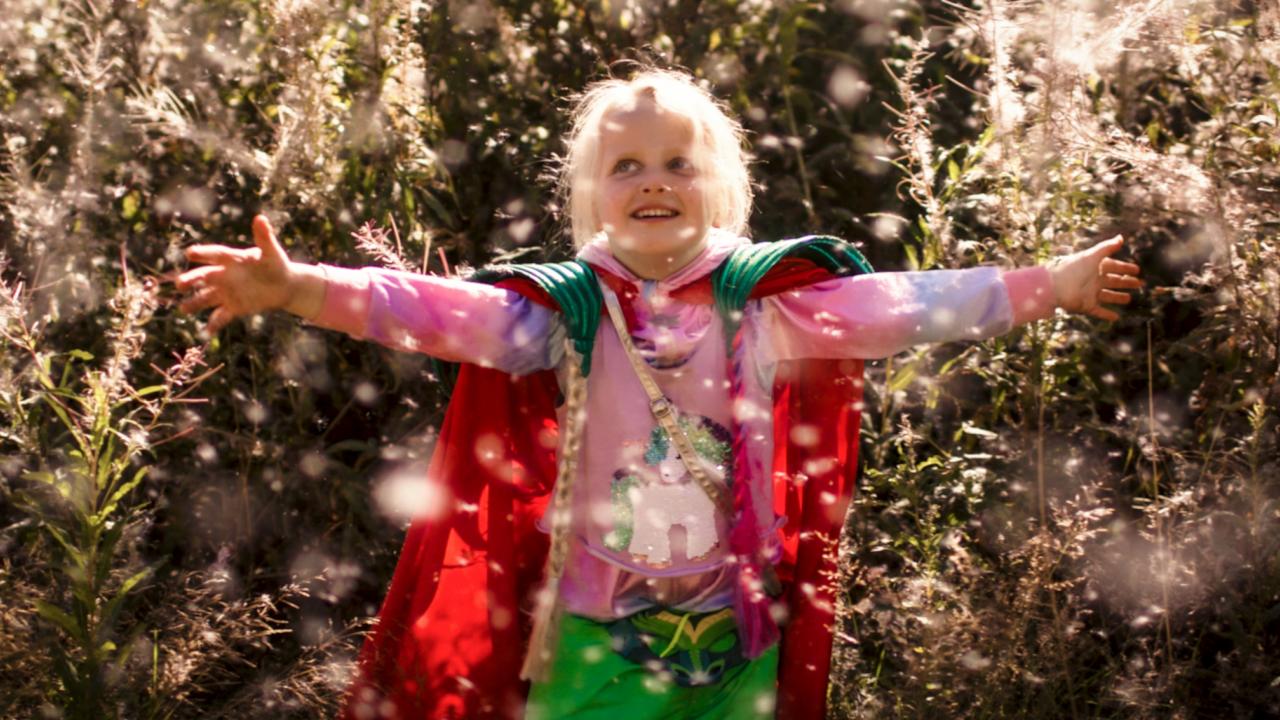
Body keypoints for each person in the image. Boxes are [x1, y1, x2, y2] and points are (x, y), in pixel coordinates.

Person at [176, 68, 1143, 719]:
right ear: (591, 192)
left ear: (718, 186)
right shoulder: (562, 312)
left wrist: (1045, 286)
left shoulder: (766, 307)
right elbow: (436, 311)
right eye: (626, 165)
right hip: (595, 634)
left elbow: (905, 304)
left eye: (679, 163)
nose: (653, 181)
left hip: (739, 635)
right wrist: (303, 287)